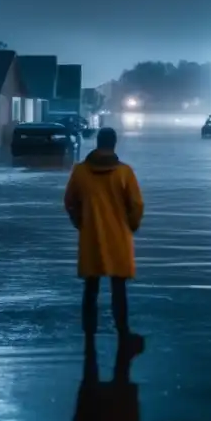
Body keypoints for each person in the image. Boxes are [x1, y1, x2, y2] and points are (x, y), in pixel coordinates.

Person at [64, 127, 145, 349]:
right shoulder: (124, 173)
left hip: (91, 238)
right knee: (118, 288)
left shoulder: (80, 172)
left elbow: (69, 202)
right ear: (114, 144)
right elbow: (136, 206)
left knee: (91, 287)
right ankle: (123, 333)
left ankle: (89, 334)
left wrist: (81, 223)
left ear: (96, 143)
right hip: (118, 238)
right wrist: (130, 226)